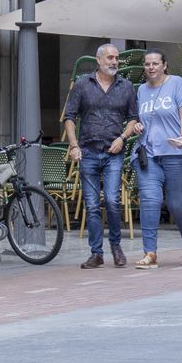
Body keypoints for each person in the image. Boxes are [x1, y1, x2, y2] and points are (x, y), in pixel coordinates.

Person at [64, 43, 139, 269]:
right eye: (110, 58)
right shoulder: (82, 85)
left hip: (113, 152)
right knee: (92, 205)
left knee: (113, 201)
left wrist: (123, 138)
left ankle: (116, 247)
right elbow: (69, 117)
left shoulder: (126, 87)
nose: (114, 62)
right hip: (87, 151)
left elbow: (134, 118)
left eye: (116, 58)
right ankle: (96, 253)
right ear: (98, 60)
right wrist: (74, 145)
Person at [131, 50, 182, 270]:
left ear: (164, 65)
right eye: (147, 64)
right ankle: (150, 253)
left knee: (176, 203)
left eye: (155, 63)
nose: (151, 67)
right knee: (150, 200)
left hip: (176, 153)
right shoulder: (141, 90)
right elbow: (138, 119)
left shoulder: (176, 83)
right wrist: (138, 126)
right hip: (148, 154)